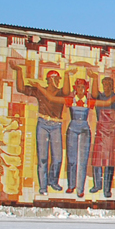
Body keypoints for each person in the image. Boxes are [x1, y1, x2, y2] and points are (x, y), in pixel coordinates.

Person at [12, 63, 67, 194]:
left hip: (56, 125)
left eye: (58, 79)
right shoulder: (39, 90)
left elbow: (65, 92)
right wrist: (20, 70)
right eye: (54, 79)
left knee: (58, 157)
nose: (56, 82)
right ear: (49, 80)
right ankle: (43, 187)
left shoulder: (60, 93)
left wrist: (68, 75)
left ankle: (53, 181)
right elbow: (21, 88)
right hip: (43, 123)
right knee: (43, 158)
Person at [64, 75, 95, 198]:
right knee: (72, 159)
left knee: (82, 160)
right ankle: (71, 185)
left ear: (86, 89)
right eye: (78, 87)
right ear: (75, 88)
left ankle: (80, 189)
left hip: (84, 129)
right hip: (72, 128)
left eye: (83, 87)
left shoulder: (89, 101)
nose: (80, 89)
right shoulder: (70, 100)